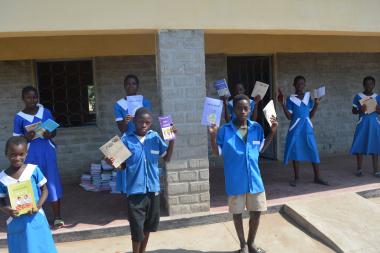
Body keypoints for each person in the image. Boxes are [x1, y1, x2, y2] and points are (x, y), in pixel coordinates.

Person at [209, 94, 277, 253]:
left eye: (246, 108)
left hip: (254, 179)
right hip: (235, 180)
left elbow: (260, 149)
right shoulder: (225, 130)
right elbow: (216, 151)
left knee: (256, 212)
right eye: (239, 108)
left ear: (250, 109)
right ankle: (243, 245)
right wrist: (212, 136)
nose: (243, 111)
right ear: (233, 109)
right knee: (237, 213)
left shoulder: (257, 128)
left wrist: (272, 133)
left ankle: (251, 242)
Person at [107, 108, 176, 253]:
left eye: (147, 122)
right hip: (135, 192)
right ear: (134, 121)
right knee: (136, 229)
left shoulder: (155, 137)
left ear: (151, 123)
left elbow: (167, 158)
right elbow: (122, 166)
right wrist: (112, 161)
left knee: (148, 226)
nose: (144, 125)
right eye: (140, 121)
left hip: (153, 190)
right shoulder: (126, 139)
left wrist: (172, 141)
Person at [13, 86, 64, 228]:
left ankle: (57, 216)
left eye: (35, 97)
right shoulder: (19, 117)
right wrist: (26, 137)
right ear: (23, 99)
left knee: (52, 182)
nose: (32, 100)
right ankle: (34, 216)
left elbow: (54, 131)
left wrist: (50, 134)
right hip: (30, 154)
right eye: (29, 97)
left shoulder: (45, 112)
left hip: (47, 151)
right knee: (32, 184)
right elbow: (16, 140)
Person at [0, 136, 57, 253]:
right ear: (6, 154)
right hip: (17, 221)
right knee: (22, 248)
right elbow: (0, 201)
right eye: (13, 155)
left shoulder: (33, 170)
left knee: (42, 247)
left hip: (36, 217)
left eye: (21, 154)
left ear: (26, 153)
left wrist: (38, 205)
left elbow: (45, 190)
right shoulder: (2, 178)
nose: (17, 158)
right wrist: (8, 210)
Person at [278, 76, 328, 187]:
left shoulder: (308, 97)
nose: (301, 85)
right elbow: (289, 117)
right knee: (296, 151)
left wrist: (316, 104)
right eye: (298, 83)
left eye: (302, 83)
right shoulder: (290, 99)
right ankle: (297, 177)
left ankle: (317, 177)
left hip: (307, 127)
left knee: (313, 149)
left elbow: (310, 115)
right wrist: (283, 105)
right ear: (294, 85)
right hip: (295, 127)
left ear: (304, 85)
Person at [114, 74, 153, 194]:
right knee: (127, 170)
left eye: (134, 83)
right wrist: (126, 122)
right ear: (124, 86)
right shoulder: (119, 104)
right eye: (128, 84)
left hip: (143, 140)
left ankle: (145, 194)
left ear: (138, 86)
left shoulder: (145, 102)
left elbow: (148, 123)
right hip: (127, 140)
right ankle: (129, 196)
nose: (131, 86)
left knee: (143, 168)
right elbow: (121, 129)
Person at [350, 76, 380, 177]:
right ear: (363, 85)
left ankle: (376, 170)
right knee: (359, 144)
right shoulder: (358, 96)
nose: (369, 86)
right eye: (367, 84)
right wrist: (360, 110)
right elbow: (353, 111)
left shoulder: (377, 96)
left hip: (374, 124)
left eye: (371, 83)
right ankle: (359, 169)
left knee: (375, 146)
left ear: (374, 85)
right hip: (362, 123)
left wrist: (377, 109)